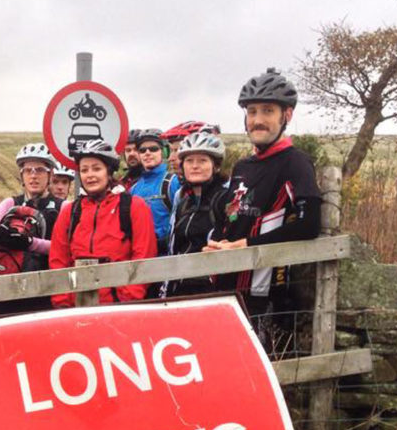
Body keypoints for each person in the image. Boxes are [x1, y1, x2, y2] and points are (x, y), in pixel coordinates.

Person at [204, 67, 321, 335]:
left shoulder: (296, 163)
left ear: (286, 115)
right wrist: (220, 242)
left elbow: (309, 224)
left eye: (268, 111)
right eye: (252, 111)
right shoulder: (243, 165)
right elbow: (235, 216)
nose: (257, 120)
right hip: (224, 288)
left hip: (263, 297)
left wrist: (246, 245)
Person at [49, 139, 157, 307]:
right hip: (76, 306)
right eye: (84, 170)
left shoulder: (134, 206)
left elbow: (144, 255)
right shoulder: (70, 212)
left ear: (109, 171)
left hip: (120, 307)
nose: (90, 175)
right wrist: (62, 303)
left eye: (96, 168)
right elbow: (58, 260)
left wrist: (128, 299)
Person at [0, 143, 64, 315]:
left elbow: (67, 248)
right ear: (21, 176)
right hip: (10, 292)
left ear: (51, 174)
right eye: (27, 170)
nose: (33, 175)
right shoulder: (10, 203)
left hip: (47, 292)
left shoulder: (63, 207)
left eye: (40, 169)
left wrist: (31, 243)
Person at [162, 132, 230, 297]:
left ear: (216, 166)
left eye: (202, 160)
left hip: (213, 288)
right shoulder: (183, 202)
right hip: (180, 287)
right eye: (189, 161)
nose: (195, 166)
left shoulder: (224, 199)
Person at [126, 128, 179, 254]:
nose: (147, 153)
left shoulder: (172, 182)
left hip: (168, 259)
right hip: (142, 258)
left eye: (153, 149)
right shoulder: (133, 189)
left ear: (163, 152)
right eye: (142, 150)